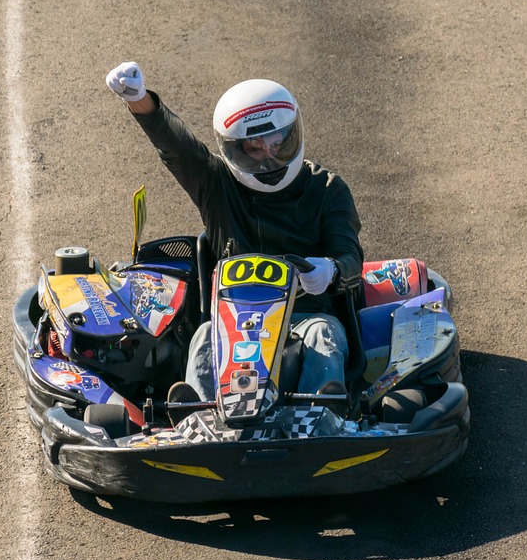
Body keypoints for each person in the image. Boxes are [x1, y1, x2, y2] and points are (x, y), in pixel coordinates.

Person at [105, 61, 363, 404]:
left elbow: (351, 257)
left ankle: (322, 413)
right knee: (204, 335)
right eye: (255, 149)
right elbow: (176, 147)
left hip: (307, 318)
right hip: (235, 327)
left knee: (324, 335)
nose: (268, 157)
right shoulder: (217, 184)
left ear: (292, 134)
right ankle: (197, 416)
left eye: (276, 143)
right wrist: (139, 101)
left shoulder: (328, 189)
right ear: (233, 149)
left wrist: (331, 270)